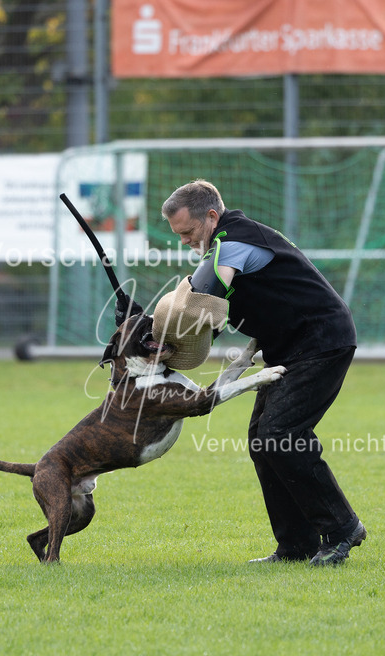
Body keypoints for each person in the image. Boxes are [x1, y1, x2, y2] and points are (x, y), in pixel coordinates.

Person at [160, 179, 366, 567]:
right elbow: (193, 303)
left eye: (187, 232)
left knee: (280, 435)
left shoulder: (233, 242)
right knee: (262, 439)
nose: (184, 241)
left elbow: (199, 306)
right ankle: (296, 544)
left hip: (322, 340)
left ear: (211, 216)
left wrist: (149, 331)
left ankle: (343, 528)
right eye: (179, 235)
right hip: (290, 347)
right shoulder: (221, 246)